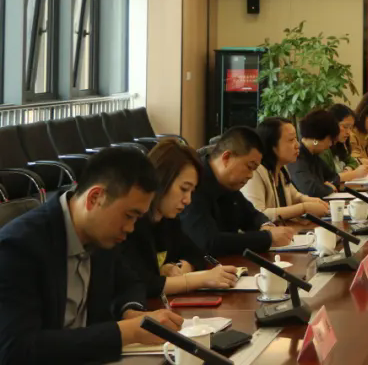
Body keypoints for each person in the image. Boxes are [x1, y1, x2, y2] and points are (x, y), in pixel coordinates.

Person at [0, 147, 184, 365]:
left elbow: (129, 282)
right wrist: (126, 331)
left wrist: (131, 311)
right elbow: (18, 350)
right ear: (95, 198)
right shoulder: (19, 246)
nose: (130, 228)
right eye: (129, 216)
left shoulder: (103, 234)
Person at [120, 139, 240, 298]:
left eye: (191, 192)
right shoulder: (130, 223)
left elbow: (196, 254)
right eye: (184, 189)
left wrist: (178, 267)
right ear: (160, 179)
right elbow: (142, 284)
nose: (188, 200)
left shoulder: (168, 220)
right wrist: (197, 280)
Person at [179, 127, 294, 255]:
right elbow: (209, 242)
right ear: (226, 157)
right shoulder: (194, 182)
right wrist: (267, 238)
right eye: (249, 167)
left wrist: (266, 226)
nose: (251, 175)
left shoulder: (229, 185)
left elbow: (251, 215)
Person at [242, 118, 331, 222]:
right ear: (272, 145)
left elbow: (295, 196)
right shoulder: (255, 172)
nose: (297, 145)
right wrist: (304, 208)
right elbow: (258, 213)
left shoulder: (281, 168)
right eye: (291, 140)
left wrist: (311, 201)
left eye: (296, 139)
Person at [286, 109, 344, 197]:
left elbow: (334, 178)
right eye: (330, 139)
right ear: (317, 137)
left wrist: (324, 186)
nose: (330, 144)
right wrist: (329, 188)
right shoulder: (296, 157)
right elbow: (310, 190)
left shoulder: (314, 156)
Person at [321, 104, 368, 183]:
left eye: (351, 128)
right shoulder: (323, 149)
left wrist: (347, 170)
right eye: (345, 127)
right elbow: (329, 179)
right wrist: (354, 174)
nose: (349, 132)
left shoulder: (339, 145)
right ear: (332, 124)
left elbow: (353, 162)